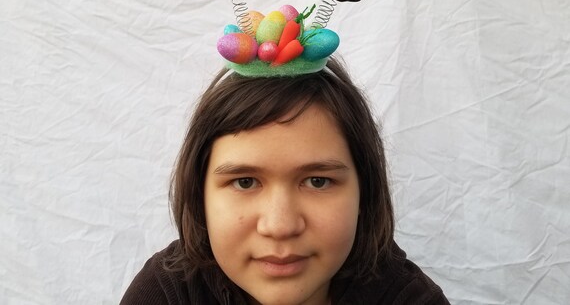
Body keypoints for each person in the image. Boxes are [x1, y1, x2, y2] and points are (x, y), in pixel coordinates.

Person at [120, 57, 450, 304]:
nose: (280, 226)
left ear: (365, 193)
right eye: (245, 182)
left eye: (318, 181)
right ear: (199, 196)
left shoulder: (409, 299)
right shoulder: (166, 293)